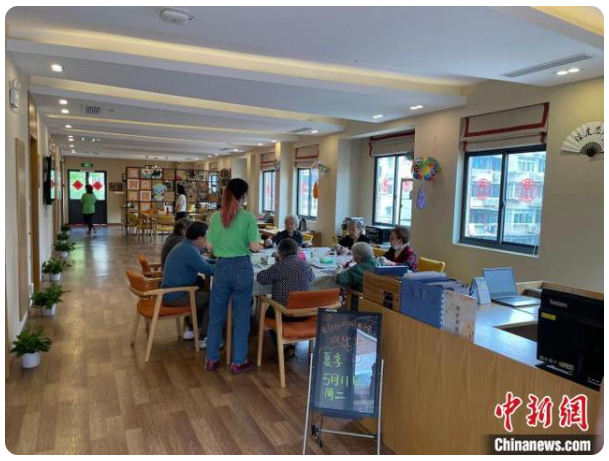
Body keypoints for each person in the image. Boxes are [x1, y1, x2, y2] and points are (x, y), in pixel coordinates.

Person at [205, 178, 261, 374]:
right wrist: (253, 244)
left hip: (221, 267)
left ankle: (211, 359)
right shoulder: (248, 218)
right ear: (243, 196)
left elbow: (209, 247)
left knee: (216, 316)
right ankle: (238, 361)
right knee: (241, 317)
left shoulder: (215, 217)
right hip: (242, 267)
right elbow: (255, 247)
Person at [257, 238, 315, 358]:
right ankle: (290, 343)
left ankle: (283, 346)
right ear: (297, 251)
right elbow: (312, 277)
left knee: (269, 313)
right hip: (304, 313)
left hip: (284, 313)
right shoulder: (304, 265)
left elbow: (261, 278)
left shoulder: (279, 266)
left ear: (280, 253)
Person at [162, 222, 215, 348]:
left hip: (173, 292)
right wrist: (228, 266)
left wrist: (217, 262)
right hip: (176, 296)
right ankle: (204, 337)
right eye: (206, 236)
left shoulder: (185, 245)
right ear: (200, 238)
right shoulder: (189, 250)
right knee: (214, 298)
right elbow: (209, 270)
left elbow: (202, 261)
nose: (207, 239)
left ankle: (193, 329)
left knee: (203, 292)